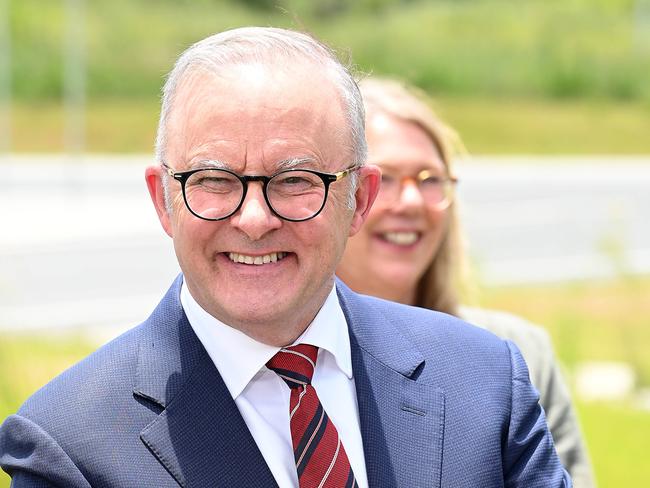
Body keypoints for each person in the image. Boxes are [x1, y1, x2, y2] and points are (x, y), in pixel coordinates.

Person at [0, 27, 570, 487]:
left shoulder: (484, 382)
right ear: (163, 199)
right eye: (214, 179)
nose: (253, 219)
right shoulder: (72, 447)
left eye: (295, 179)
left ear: (360, 200)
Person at [337, 77, 594, 487]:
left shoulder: (517, 355)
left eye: (429, 179)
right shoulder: (296, 361)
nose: (411, 202)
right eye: (384, 179)